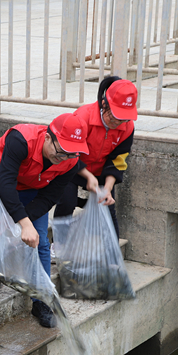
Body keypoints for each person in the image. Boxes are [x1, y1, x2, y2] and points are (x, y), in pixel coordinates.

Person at [0, 114, 94, 328]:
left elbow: (49, 197)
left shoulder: (70, 160)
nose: (63, 157)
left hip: (35, 187)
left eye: (70, 153)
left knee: (41, 242)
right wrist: (21, 222)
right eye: (60, 150)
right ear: (47, 137)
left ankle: (41, 300)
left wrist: (21, 222)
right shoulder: (21, 140)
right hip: (0, 176)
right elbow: (6, 184)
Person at [53, 76, 138, 237]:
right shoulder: (82, 117)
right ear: (104, 103)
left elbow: (118, 161)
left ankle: (111, 255)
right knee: (67, 201)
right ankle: (59, 244)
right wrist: (88, 176)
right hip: (72, 167)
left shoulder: (127, 127)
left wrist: (107, 189)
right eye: (114, 116)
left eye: (123, 118)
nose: (118, 122)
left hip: (101, 172)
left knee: (107, 205)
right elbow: (70, 153)